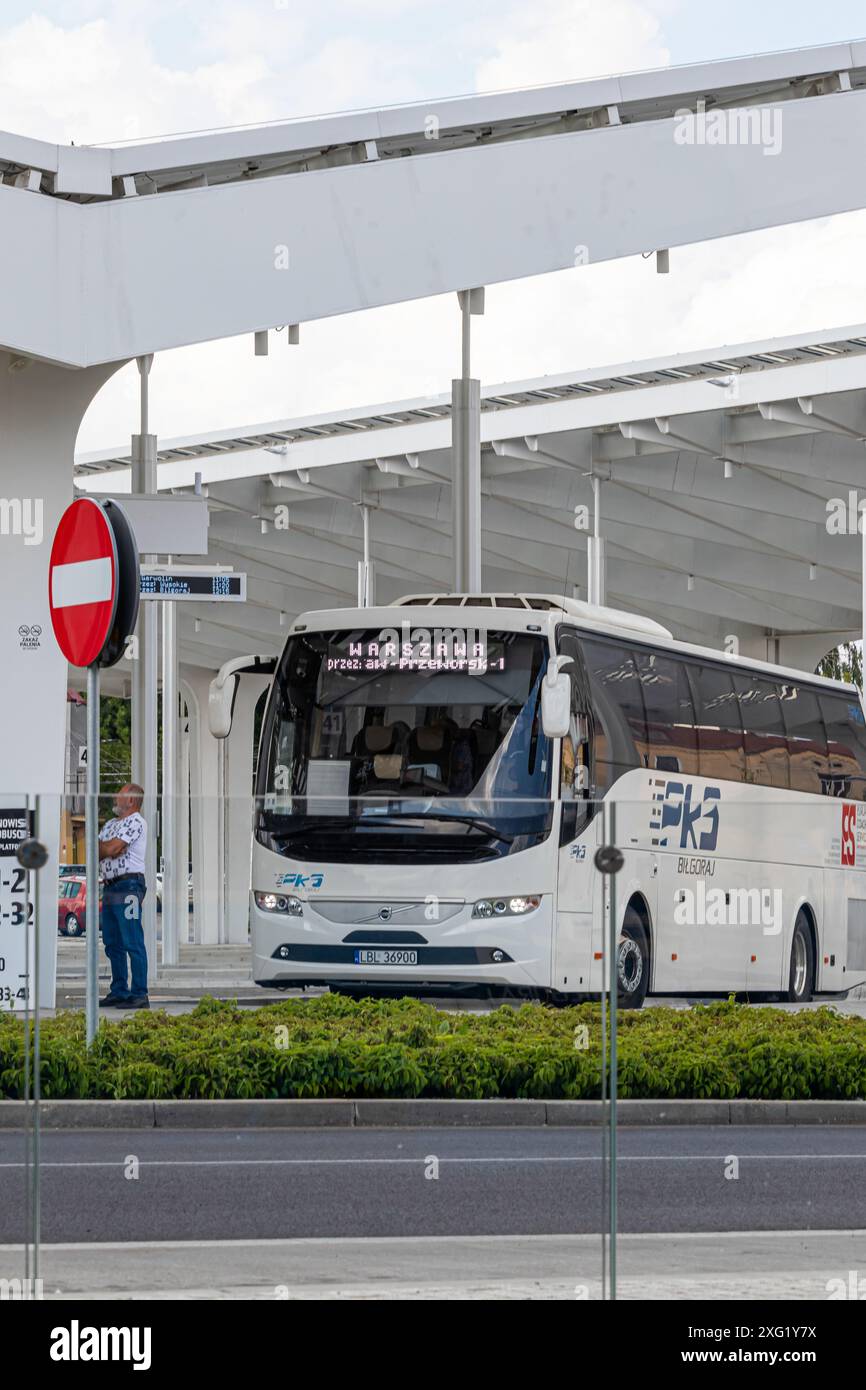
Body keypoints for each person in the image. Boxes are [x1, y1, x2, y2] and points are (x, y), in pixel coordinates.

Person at [98, 784, 149, 1010]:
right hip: (109, 886)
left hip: (129, 886)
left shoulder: (136, 821)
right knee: (112, 942)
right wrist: (109, 848)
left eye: (120, 793)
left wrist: (108, 848)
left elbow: (110, 849)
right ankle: (119, 990)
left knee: (132, 939)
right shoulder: (111, 824)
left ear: (130, 800)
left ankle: (139, 993)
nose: (115, 797)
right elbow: (98, 849)